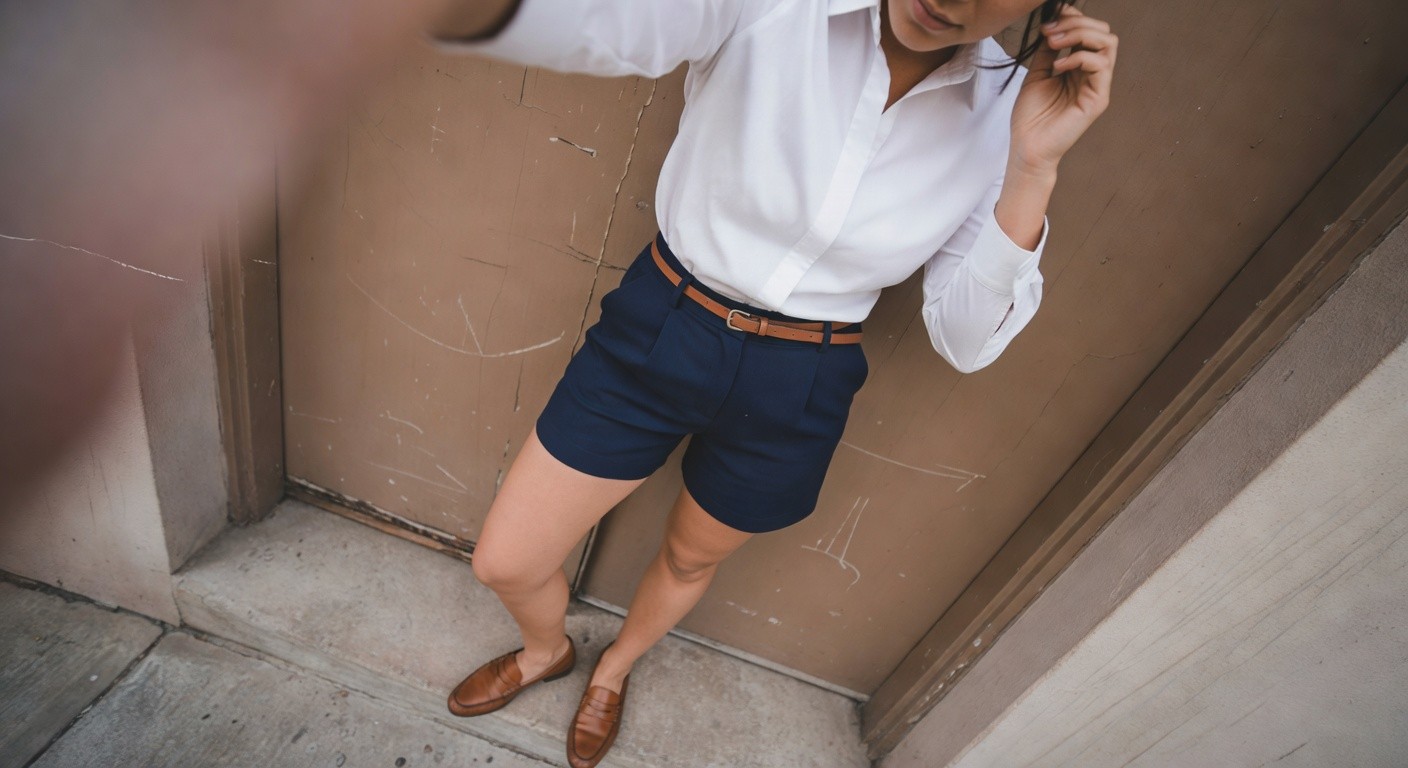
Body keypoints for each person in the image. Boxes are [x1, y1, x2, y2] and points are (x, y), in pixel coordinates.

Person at [428, 1, 1117, 766]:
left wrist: (1033, 167)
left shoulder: (1006, 111)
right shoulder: (777, 7)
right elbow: (609, 19)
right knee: (507, 559)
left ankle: (614, 672)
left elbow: (964, 340)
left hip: (804, 373)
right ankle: (544, 651)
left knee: (693, 557)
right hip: (666, 319)